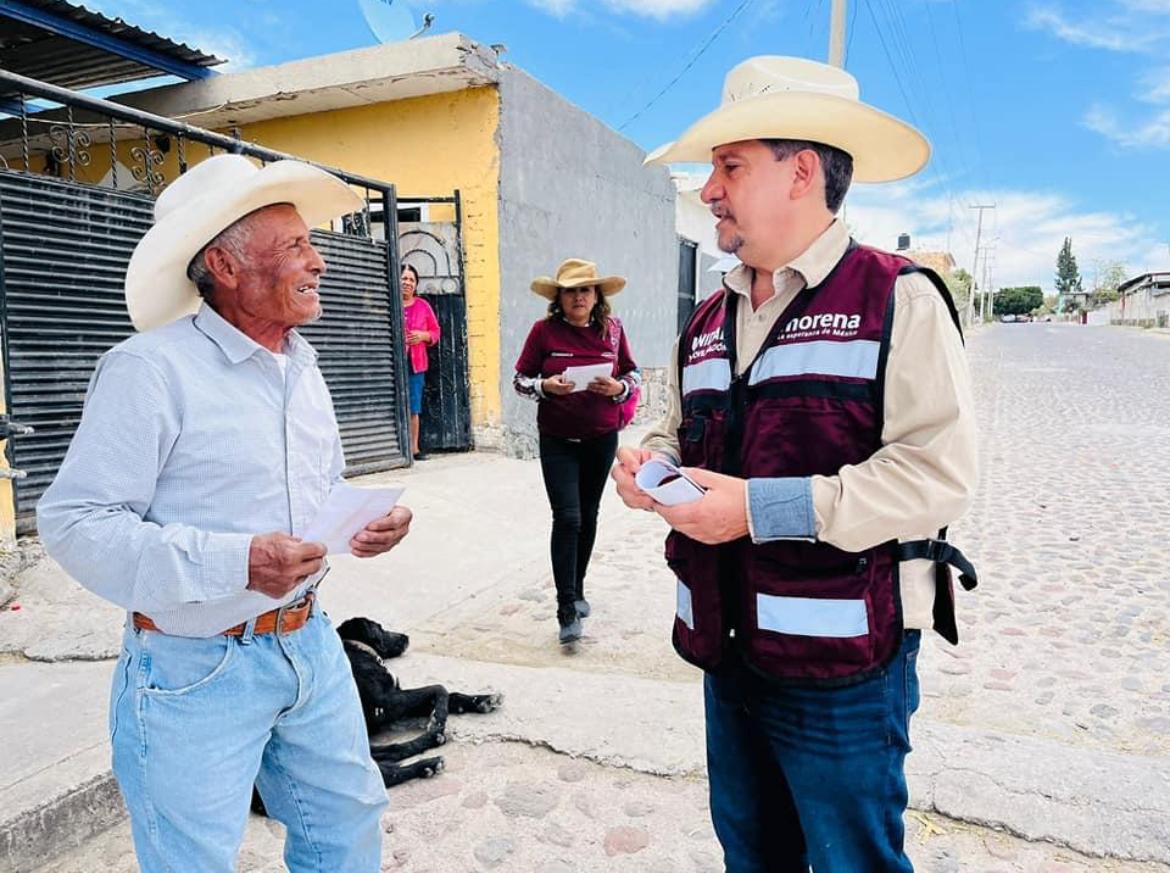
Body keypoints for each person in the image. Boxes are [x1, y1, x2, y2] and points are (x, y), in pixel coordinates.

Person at [612, 56, 979, 871]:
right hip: (729, 646)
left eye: (729, 165)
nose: (708, 188)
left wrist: (756, 510)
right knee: (753, 854)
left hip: (845, 668)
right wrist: (649, 463)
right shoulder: (706, 316)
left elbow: (936, 474)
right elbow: (678, 426)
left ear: (802, 171)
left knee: (853, 860)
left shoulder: (900, 298)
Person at [37, 154, 413, 872]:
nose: (319, 262)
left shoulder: (301, 366)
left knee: (347, 823)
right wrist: (237, 561)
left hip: (309, 643)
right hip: (192, 668)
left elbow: (318, 483)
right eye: (296, 246)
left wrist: (361, 522)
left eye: (312, 243)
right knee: (194, 860)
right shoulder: (148, 370)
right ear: (225, 265)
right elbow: (75, 522)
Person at [514, 258, 641, 645]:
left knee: (588, 515)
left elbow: (633, 376)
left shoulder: (614, 331)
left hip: (601, 438)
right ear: (559, 298)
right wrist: (544, 387)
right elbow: (520, 380)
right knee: (567, 517)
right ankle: (566, 606)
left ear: (597, 295)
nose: (579, 297)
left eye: (586, 289)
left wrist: (618, 388)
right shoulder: (543, 332)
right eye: (571, 290)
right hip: (557, 439)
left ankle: (579, 586)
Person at [401, 263, 440, 460]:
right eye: (404, 278)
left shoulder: (423, 306)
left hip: (415, 363)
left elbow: (436, 332)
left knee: (414, 406)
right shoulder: (390, 304)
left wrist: (422, 335)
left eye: (411, 280)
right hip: (393, 363)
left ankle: (414, 448)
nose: (407, 283)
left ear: (416, 285)